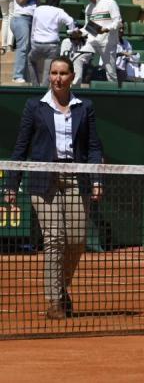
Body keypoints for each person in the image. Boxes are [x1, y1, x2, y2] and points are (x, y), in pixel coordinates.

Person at [4, 56, 104, 319]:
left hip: (76, 177)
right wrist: (11, 185)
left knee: (77, 239)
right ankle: (54, 302)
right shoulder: (34, 107)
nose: (58, 78)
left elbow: (93, 147)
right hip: (42, 179)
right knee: (54, 238)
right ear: (49, 76)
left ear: (72, 77)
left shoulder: (85, 107)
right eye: (54, 73)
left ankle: (60, 289)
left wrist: (96, 179)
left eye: (63, 73)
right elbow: (21, 148)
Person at [29, 0, 76, 87]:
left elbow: (33, 27)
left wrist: (32, 42)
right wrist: (72, 33)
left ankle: (35, 86)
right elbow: (70, 21)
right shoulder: (59, 11)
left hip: (37, 44)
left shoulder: (38, 9)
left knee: (30, 60)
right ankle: (43, 91)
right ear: (58, 1)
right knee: (48, 72)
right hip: (52, 45)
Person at [82, 0, 121, 83]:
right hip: (92, 41)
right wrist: (79, 32)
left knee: (110, 72)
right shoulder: (88, 8)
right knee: (79, 58)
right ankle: (76, 88)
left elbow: (118, 21)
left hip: (107, 43)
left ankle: (114, 95)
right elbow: (88, 27)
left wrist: (106, 29)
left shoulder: (110, 2)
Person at [11, 0, 40, 83]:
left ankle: (26, 76)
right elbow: (21, 1)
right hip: (20, 19)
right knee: (23, 47)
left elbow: (37, 5)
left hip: (31, 20)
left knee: (29, 49)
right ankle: (17, 75)